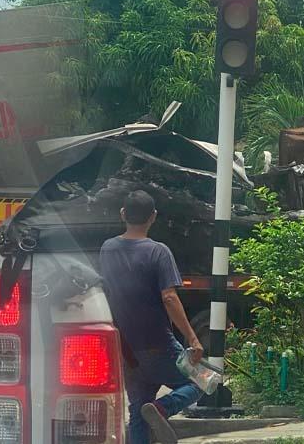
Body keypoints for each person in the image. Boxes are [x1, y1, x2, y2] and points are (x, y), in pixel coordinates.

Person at [98, 190, 204, 444]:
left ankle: (151, 410)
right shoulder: (158, 252)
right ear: (153, 217)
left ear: (123, 214)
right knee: (200, 382)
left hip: (127, 348)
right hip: (158, 342)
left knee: (137, 410)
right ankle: (162, 408)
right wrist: (192, 338)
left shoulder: (107, 248)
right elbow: (169, 297)